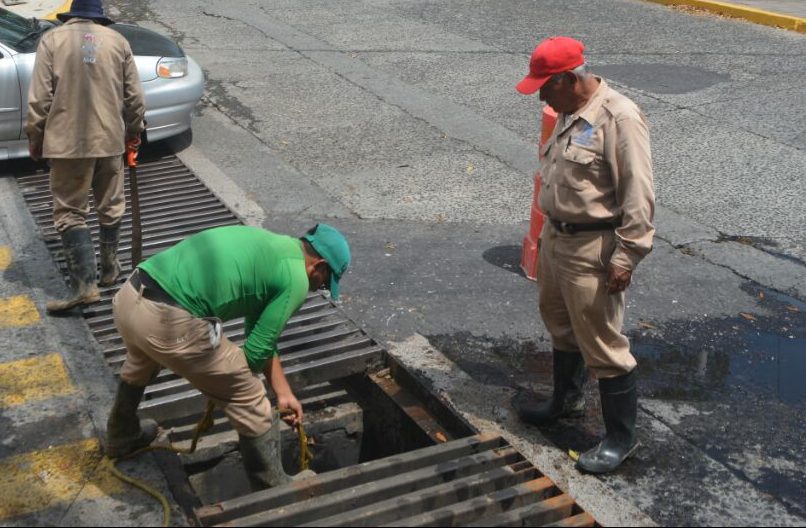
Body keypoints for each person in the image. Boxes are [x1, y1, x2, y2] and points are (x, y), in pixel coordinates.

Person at [105, 224, 351, 489]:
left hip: (130, 299)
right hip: (168, 323)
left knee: (141, 362)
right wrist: (231, 384)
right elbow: (255, 354)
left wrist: (283, 392)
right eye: (325, 282)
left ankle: (121, 433)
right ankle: (274, 490)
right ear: (319, 265)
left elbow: (258, 335)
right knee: (251, 397)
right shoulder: (297, 278)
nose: (320, 288)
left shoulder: (272, 246)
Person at [511, 37, 655, 474]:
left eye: (545, 87)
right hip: (558, 238)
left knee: (603, 341)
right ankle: (565, 401)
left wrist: (626, 256)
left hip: (593, 245)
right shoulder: (570, 110)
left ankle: (621, 439)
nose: (541, 97)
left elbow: (638, 195)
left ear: (569, 79)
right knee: (560, 323)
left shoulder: (618, 117)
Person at [26, 0, 145, 314]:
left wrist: (35, 137)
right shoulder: (118, 41)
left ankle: (84, 287)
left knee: (70, 212)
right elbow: (135, 98)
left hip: (67, 143)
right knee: (111, 205)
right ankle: (109, 270)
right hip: (110, 140)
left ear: (70, 15)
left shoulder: (52, 40)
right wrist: (133, 131)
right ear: (99, 18)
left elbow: (39, 100)